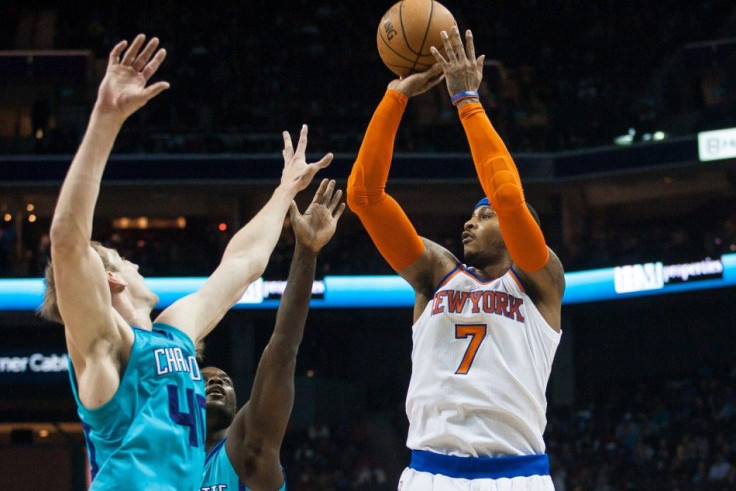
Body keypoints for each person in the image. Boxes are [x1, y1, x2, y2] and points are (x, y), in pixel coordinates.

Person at [39, 34, 332, 490]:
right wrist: (106, 118)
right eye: (124, 259)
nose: (137, 265)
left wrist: (284, 193)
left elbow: (241, 265)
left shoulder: (173, 330)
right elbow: (66, 243)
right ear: (110, 279)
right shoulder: (106, 347)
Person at [346, 26, 565, 490]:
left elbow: (505, 193)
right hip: (431, 473)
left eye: (482, 216)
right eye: (470, 215)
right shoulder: (436, 274)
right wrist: (394, 98)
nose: (469, 222)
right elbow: (364, 197)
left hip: (516, 475)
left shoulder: (541, 281)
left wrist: (467, 99)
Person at [200, 178, 345, 491]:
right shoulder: (168, 468)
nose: (216, 382)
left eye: (225, 381)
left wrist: (306, 253)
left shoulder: (245, 452)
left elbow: (281, 350)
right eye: (205, 379)